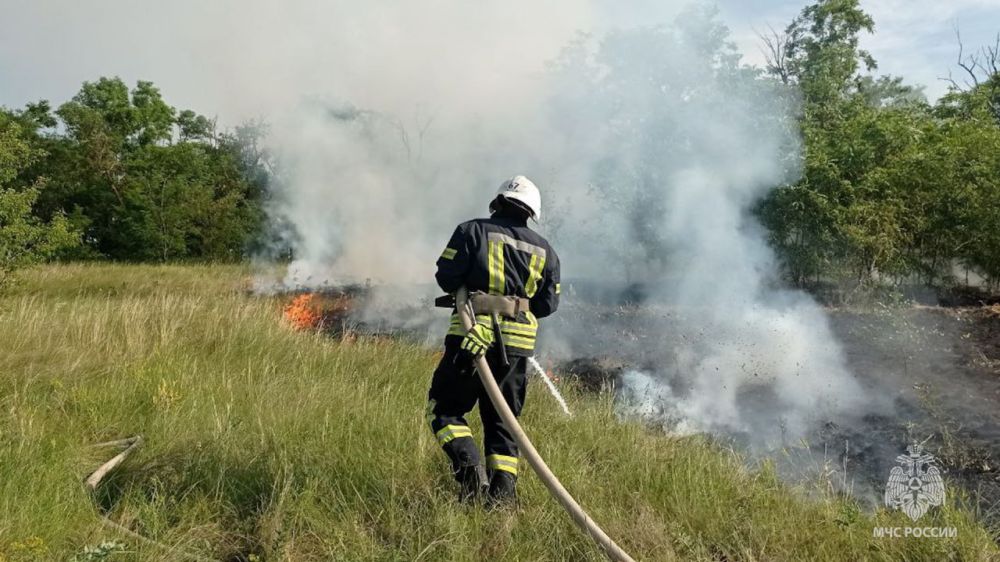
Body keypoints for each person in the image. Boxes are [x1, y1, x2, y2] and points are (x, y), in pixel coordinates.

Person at [426, 175, 561, 507]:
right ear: (531, 212)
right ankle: (501, 503)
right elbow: (547, 305)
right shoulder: (547, 252)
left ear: (498, 201)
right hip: (516, 349)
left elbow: (446, 276)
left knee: (445, 411)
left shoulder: (471, 231)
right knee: (503, 425)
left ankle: (470, 475)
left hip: (470, 339)